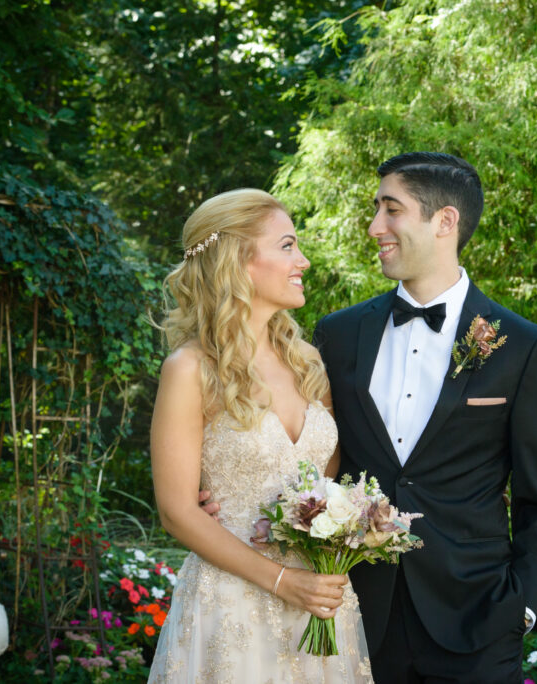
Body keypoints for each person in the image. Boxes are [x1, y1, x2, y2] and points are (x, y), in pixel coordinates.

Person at [312, 152, 537, 683]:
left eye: (391, 210)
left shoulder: (520, 346)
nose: (374, 226)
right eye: (376, 209)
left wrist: (521, 610)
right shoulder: (337, 336)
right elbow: (310, 451)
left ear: (445, 221)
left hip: (477, 623)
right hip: (357, 619)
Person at [147, 189, 373, 683]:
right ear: (238, 260)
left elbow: (322, 482)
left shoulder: (307, 361)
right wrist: (282, 580)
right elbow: (176, 510)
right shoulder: (189, 369)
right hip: (230, 604)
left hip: (320, 599)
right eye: (288, 245)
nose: (304, 260)